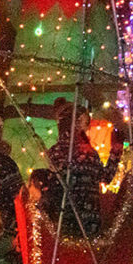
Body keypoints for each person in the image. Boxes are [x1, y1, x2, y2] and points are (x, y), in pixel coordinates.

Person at [44, 98, 122, 239]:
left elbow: (104, 177)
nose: (87, 128)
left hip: (72, 220)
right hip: (77, 220)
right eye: (85, 123)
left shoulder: (60, 151)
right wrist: (116, 151)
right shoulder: (76, 152)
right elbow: (105, 177)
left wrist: (116, 151)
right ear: (76, 123)